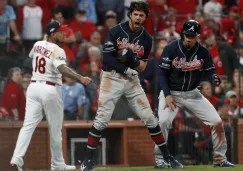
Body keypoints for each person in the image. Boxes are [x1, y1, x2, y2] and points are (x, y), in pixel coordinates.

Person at [80, 1, 183, 171]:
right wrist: (127, 67)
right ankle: (87, 160)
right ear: (130, 14)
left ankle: (167, 157)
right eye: (135, 14)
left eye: (141, 15)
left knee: (150, 118)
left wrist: (132, 60)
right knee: (102, 119)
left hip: (131, 80)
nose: (138, 17)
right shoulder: (116, 31)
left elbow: (142, 66)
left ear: (145, 17)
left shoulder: (147, 38)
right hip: (111, 78)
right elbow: (107, 59)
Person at [10, 21, 92, 171]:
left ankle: (17, 157)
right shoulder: (58, 50)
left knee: (27, 127)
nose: (64, 34)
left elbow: (34, 54)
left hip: (33, 87)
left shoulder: (37, 44)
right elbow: (61, 68)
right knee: (55, 129)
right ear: (53, 34)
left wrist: (46, 38)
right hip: (50, 88)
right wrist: (80, 78)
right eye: (60, 31)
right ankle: (57, 164)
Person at [154, 19, 234, 168]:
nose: (189, 38)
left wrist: (214, 77)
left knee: (217, 121)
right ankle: (160, 160)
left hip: (193, 94)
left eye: (192, 35)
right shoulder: (171, 48)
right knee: (163, 122)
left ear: (198, 36)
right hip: (171, 92)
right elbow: (162, 74)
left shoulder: (203, 51)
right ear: (182, 34)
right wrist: (167, 95)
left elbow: (210, 70)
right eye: (187, 34)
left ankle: (219, 159)